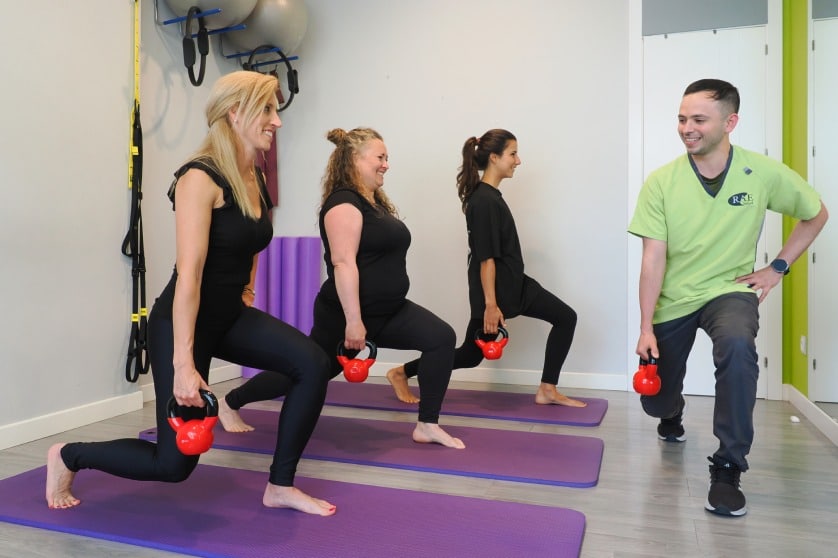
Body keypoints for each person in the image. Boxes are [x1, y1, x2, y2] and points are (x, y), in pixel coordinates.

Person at [45, 71, 336, 516]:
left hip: (228, 317)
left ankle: (280, 485)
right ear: (236, 113)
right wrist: (184, 363)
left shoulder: (253, 175)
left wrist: (247, 288)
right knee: (174, 464)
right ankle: (69, 455)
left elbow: (254, 237)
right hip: (182, 324)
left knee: (313, 363)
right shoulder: (199, 179)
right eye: (268, 110)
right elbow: (190, 276)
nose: (277, 122)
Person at [628, 78, 828, 517]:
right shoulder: (661, 182)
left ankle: (728, 466)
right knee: (655, 399)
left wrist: (777, 268)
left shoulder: (761, 172)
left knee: (738, 346)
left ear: (730, 122)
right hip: (674, 298)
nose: (687, 128)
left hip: (730, 290)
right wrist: (645, 327)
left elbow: (816, 214)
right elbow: (652, 259)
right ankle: (671, 412)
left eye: (698, 119)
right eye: (682, 118)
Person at [218, 127, 465, 449]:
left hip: (389, 310)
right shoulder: (343, 204)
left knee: (441, 338)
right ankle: (230, 401)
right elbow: (343, 264)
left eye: (387, 158)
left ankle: (428, 424)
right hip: (346, 314)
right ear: (355, 159)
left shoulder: (373, 202)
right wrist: (353, 321)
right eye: (380, 157)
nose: (386, 164)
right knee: (311, 370)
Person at [387, 129, 585, 408]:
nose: (518, 161)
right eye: (513, 154)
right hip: (497, 291)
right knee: (470, 355)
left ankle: (547, 389)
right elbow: (485, 258)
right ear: (494, 157)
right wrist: (490, 305)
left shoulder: (489, 197)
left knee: (565, 318)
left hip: (515, 284)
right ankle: (400, 372)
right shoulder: (483, 201)